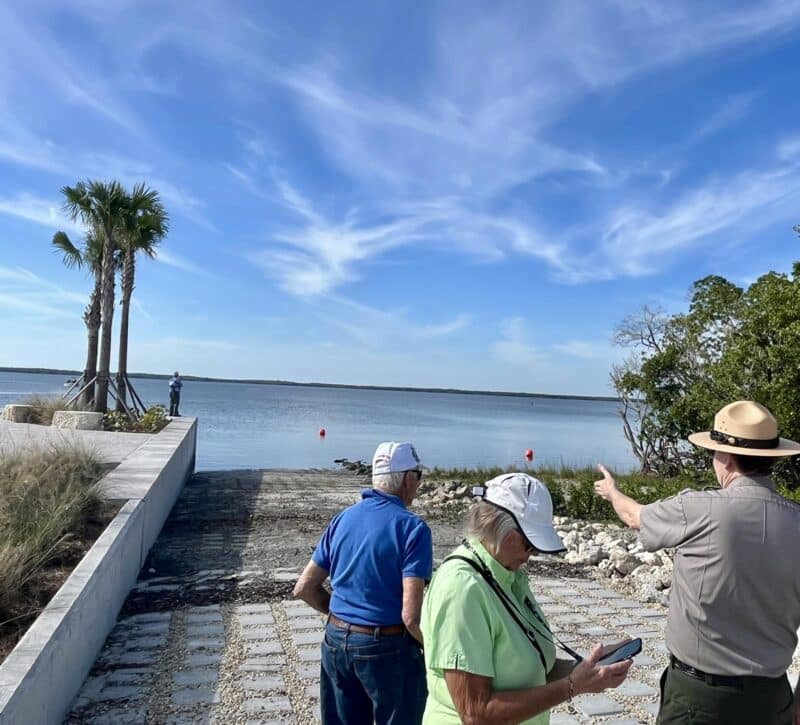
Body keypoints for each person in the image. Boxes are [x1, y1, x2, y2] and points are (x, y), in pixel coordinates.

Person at [594, 400, 800, 724]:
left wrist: (612, 491)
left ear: (726, 458)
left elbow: (635, 516)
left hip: (699, 697)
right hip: (772, 698)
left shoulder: (698, 509)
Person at [420, 472, 632, 724]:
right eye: (529, 544)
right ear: (497, 527)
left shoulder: (507, 574)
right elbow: (475, 713)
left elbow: (533, 669)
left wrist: (588, 669)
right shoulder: (463, 588)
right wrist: (572, 687)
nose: (531, 555)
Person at [293, 441, 432, 725]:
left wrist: (345, 619)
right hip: (387, 649)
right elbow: (410, 616)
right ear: (408, 479)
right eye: (418, 476)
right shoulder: (413, 528)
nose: (419, 483)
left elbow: (304, 588)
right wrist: (434, 651)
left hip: (335, 641)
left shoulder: (343, 518)